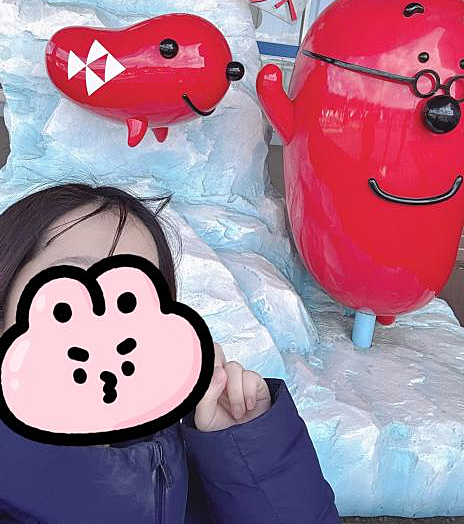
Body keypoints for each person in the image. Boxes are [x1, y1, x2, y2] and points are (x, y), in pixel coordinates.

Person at [0, 183, 340, 524]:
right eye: (67, 298)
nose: (107, 327)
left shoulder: (178, 471)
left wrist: (249, 453)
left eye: (130, 301)